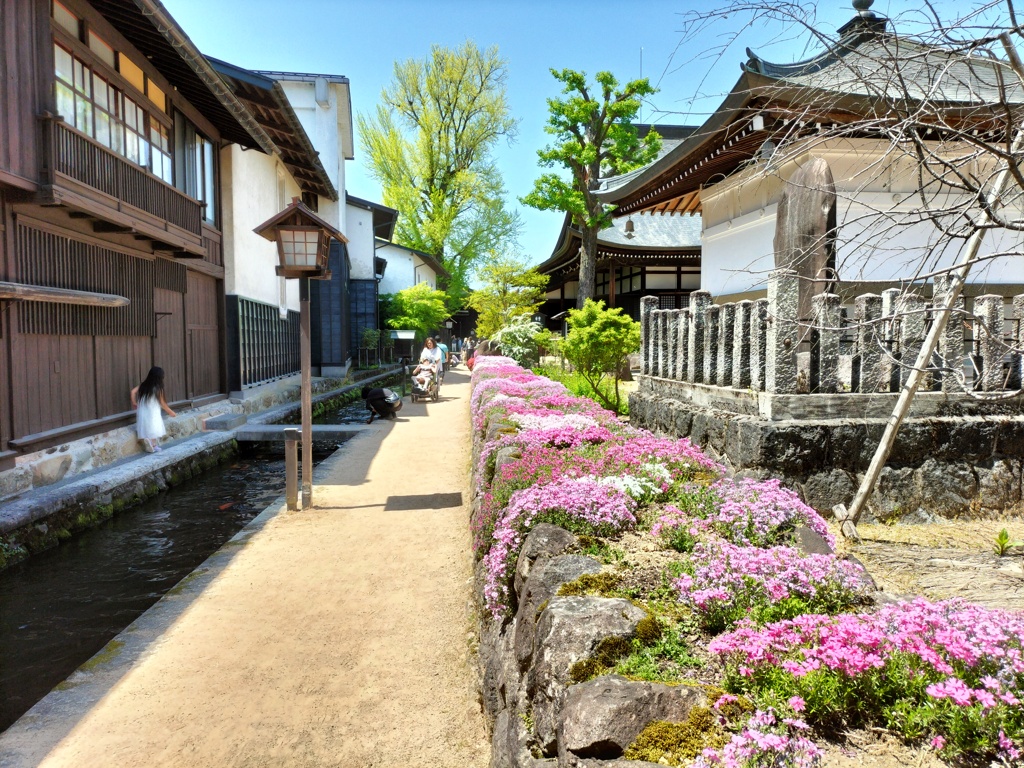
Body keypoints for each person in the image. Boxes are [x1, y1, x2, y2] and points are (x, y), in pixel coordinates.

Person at [131, 366, 176, 453]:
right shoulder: (158, 389)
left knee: (146, 426)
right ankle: (153, 445)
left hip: (142, 410)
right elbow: (162, 403)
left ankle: (148, 441)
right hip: (153, 411)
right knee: (154, 427)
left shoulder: (143, 385)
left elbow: (133, 392)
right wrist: (171, 412)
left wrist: (134, 402)